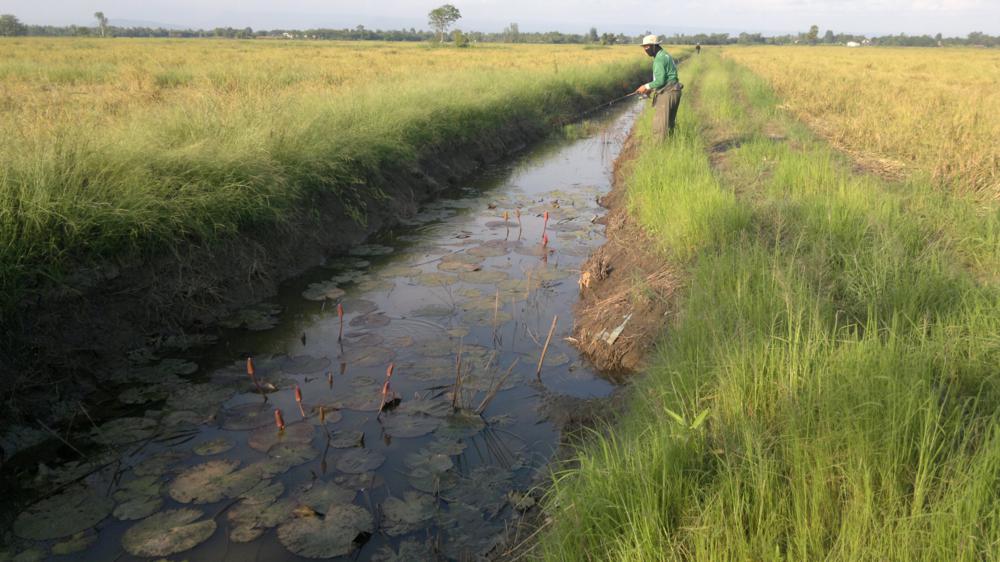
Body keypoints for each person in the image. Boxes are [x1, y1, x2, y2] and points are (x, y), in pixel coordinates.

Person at [634, 35, 683, 140]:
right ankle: (669, 148)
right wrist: (650, 89)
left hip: (668, 93)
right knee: (669, 125)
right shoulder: (665, 55)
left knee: (659, 127)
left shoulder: (659, 59)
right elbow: (664, 79)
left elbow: (660, 81)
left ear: (654, 46)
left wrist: (645, 86)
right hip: (674, 91)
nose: (645, 49)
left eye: (647, 47)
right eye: (644, 47)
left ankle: (659, 150)